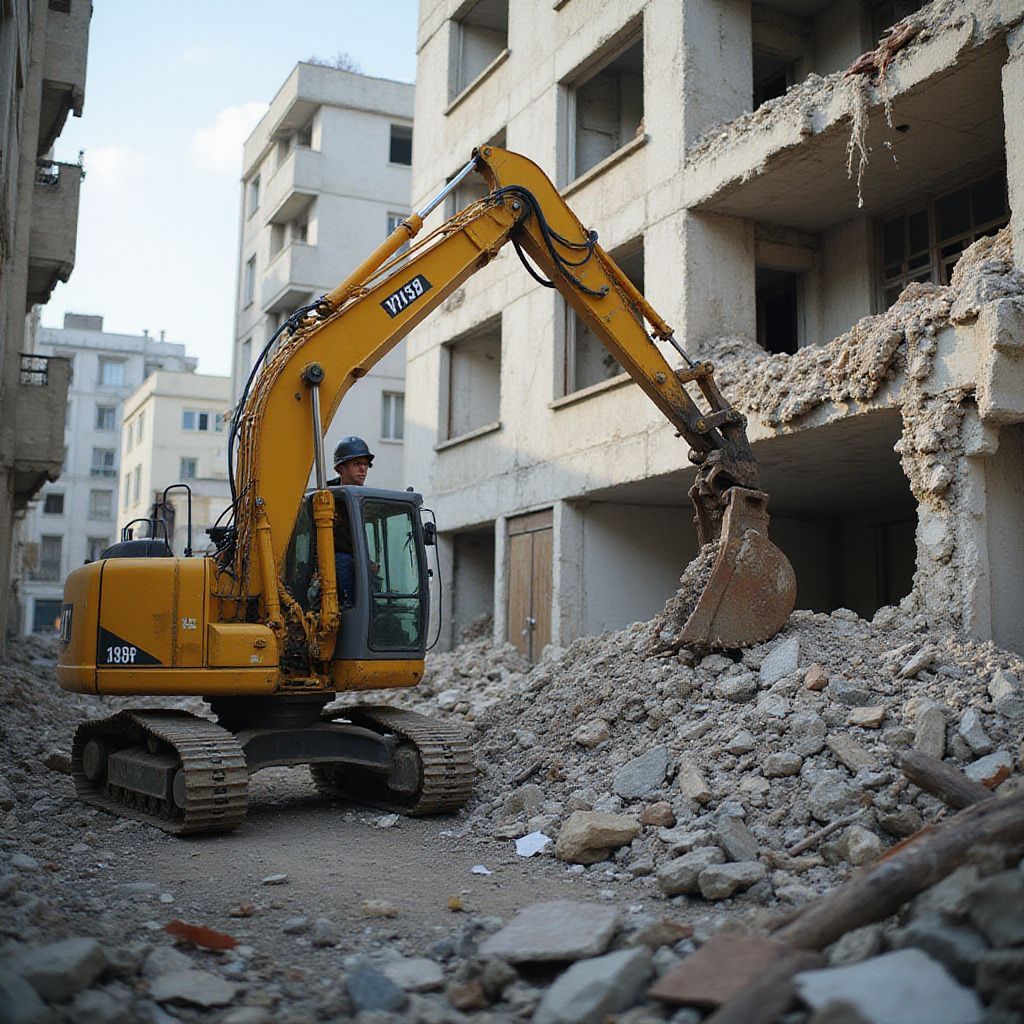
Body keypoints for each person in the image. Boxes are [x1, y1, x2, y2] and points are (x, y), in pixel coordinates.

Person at [329, 436, 373, 606]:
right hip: (333, 561)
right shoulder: (327, 497)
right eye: (357, 464)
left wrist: (368, 562)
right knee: (343, 562)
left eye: (366, 465)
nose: (363, 469)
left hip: (355, 558)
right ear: (340, 468)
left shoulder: (364, 499)